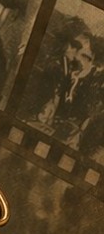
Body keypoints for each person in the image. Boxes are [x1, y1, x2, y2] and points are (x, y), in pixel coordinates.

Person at [23, 21, 104, 155]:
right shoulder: (57, 75)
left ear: (96, 66)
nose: (76, 57)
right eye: (76, 49)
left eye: (85, 57)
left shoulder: (90, 94)